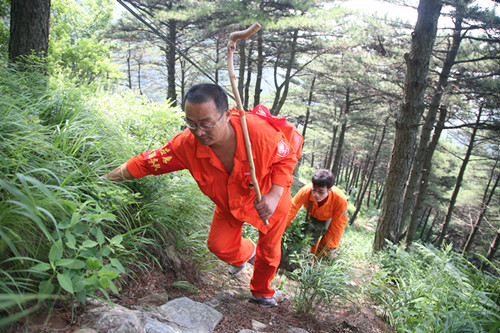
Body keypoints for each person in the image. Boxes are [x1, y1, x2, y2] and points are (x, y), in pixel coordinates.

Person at [102, 83, 298, 308]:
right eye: (191, 123)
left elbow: (286, 158)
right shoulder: (187, 145)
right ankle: (246, 253)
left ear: (226, 114)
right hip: (228, 203)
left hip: (269, 197)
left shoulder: (256, 131)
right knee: (219, 246)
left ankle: (261, 291)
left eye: (206, 123)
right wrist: (106, 178)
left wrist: (273, 195)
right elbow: (149, 162)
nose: (199, 132)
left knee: (270, 250)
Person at [286, 169, 348, 260]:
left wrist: (331, 247)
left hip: (329, 219)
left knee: (324, 246)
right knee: (307, 238)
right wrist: (280, 228)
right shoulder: (306, 191)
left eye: (321, 192)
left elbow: (338, 225)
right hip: (311, 215)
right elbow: (291, 209)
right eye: (314, 190)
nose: (316, 195)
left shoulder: (340, 199)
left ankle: (314, 265)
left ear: (329, 189)